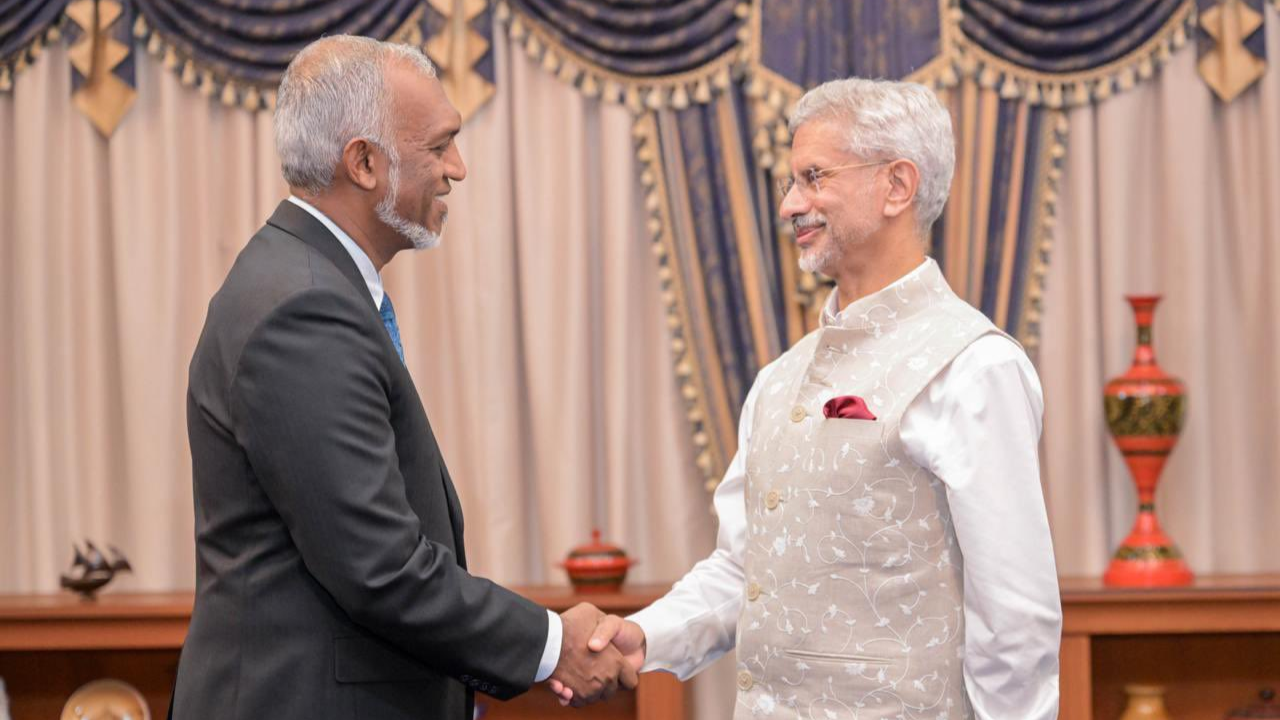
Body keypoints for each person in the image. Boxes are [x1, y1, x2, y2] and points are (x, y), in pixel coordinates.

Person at [564, 78, 1062, 719]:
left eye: (815, 176)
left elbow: (1016, 618)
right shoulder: (778, 380)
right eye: (790, 182)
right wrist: (646, 637)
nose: (791, 204)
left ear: (897, 186)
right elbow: (746, 571)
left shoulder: (973, 366)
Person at [175, 35, 634, 719]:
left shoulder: (307, 282)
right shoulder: (303, 307)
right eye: (438, 145)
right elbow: (380, 567)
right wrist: (550, 642)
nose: (458, 168)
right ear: (364, 163)